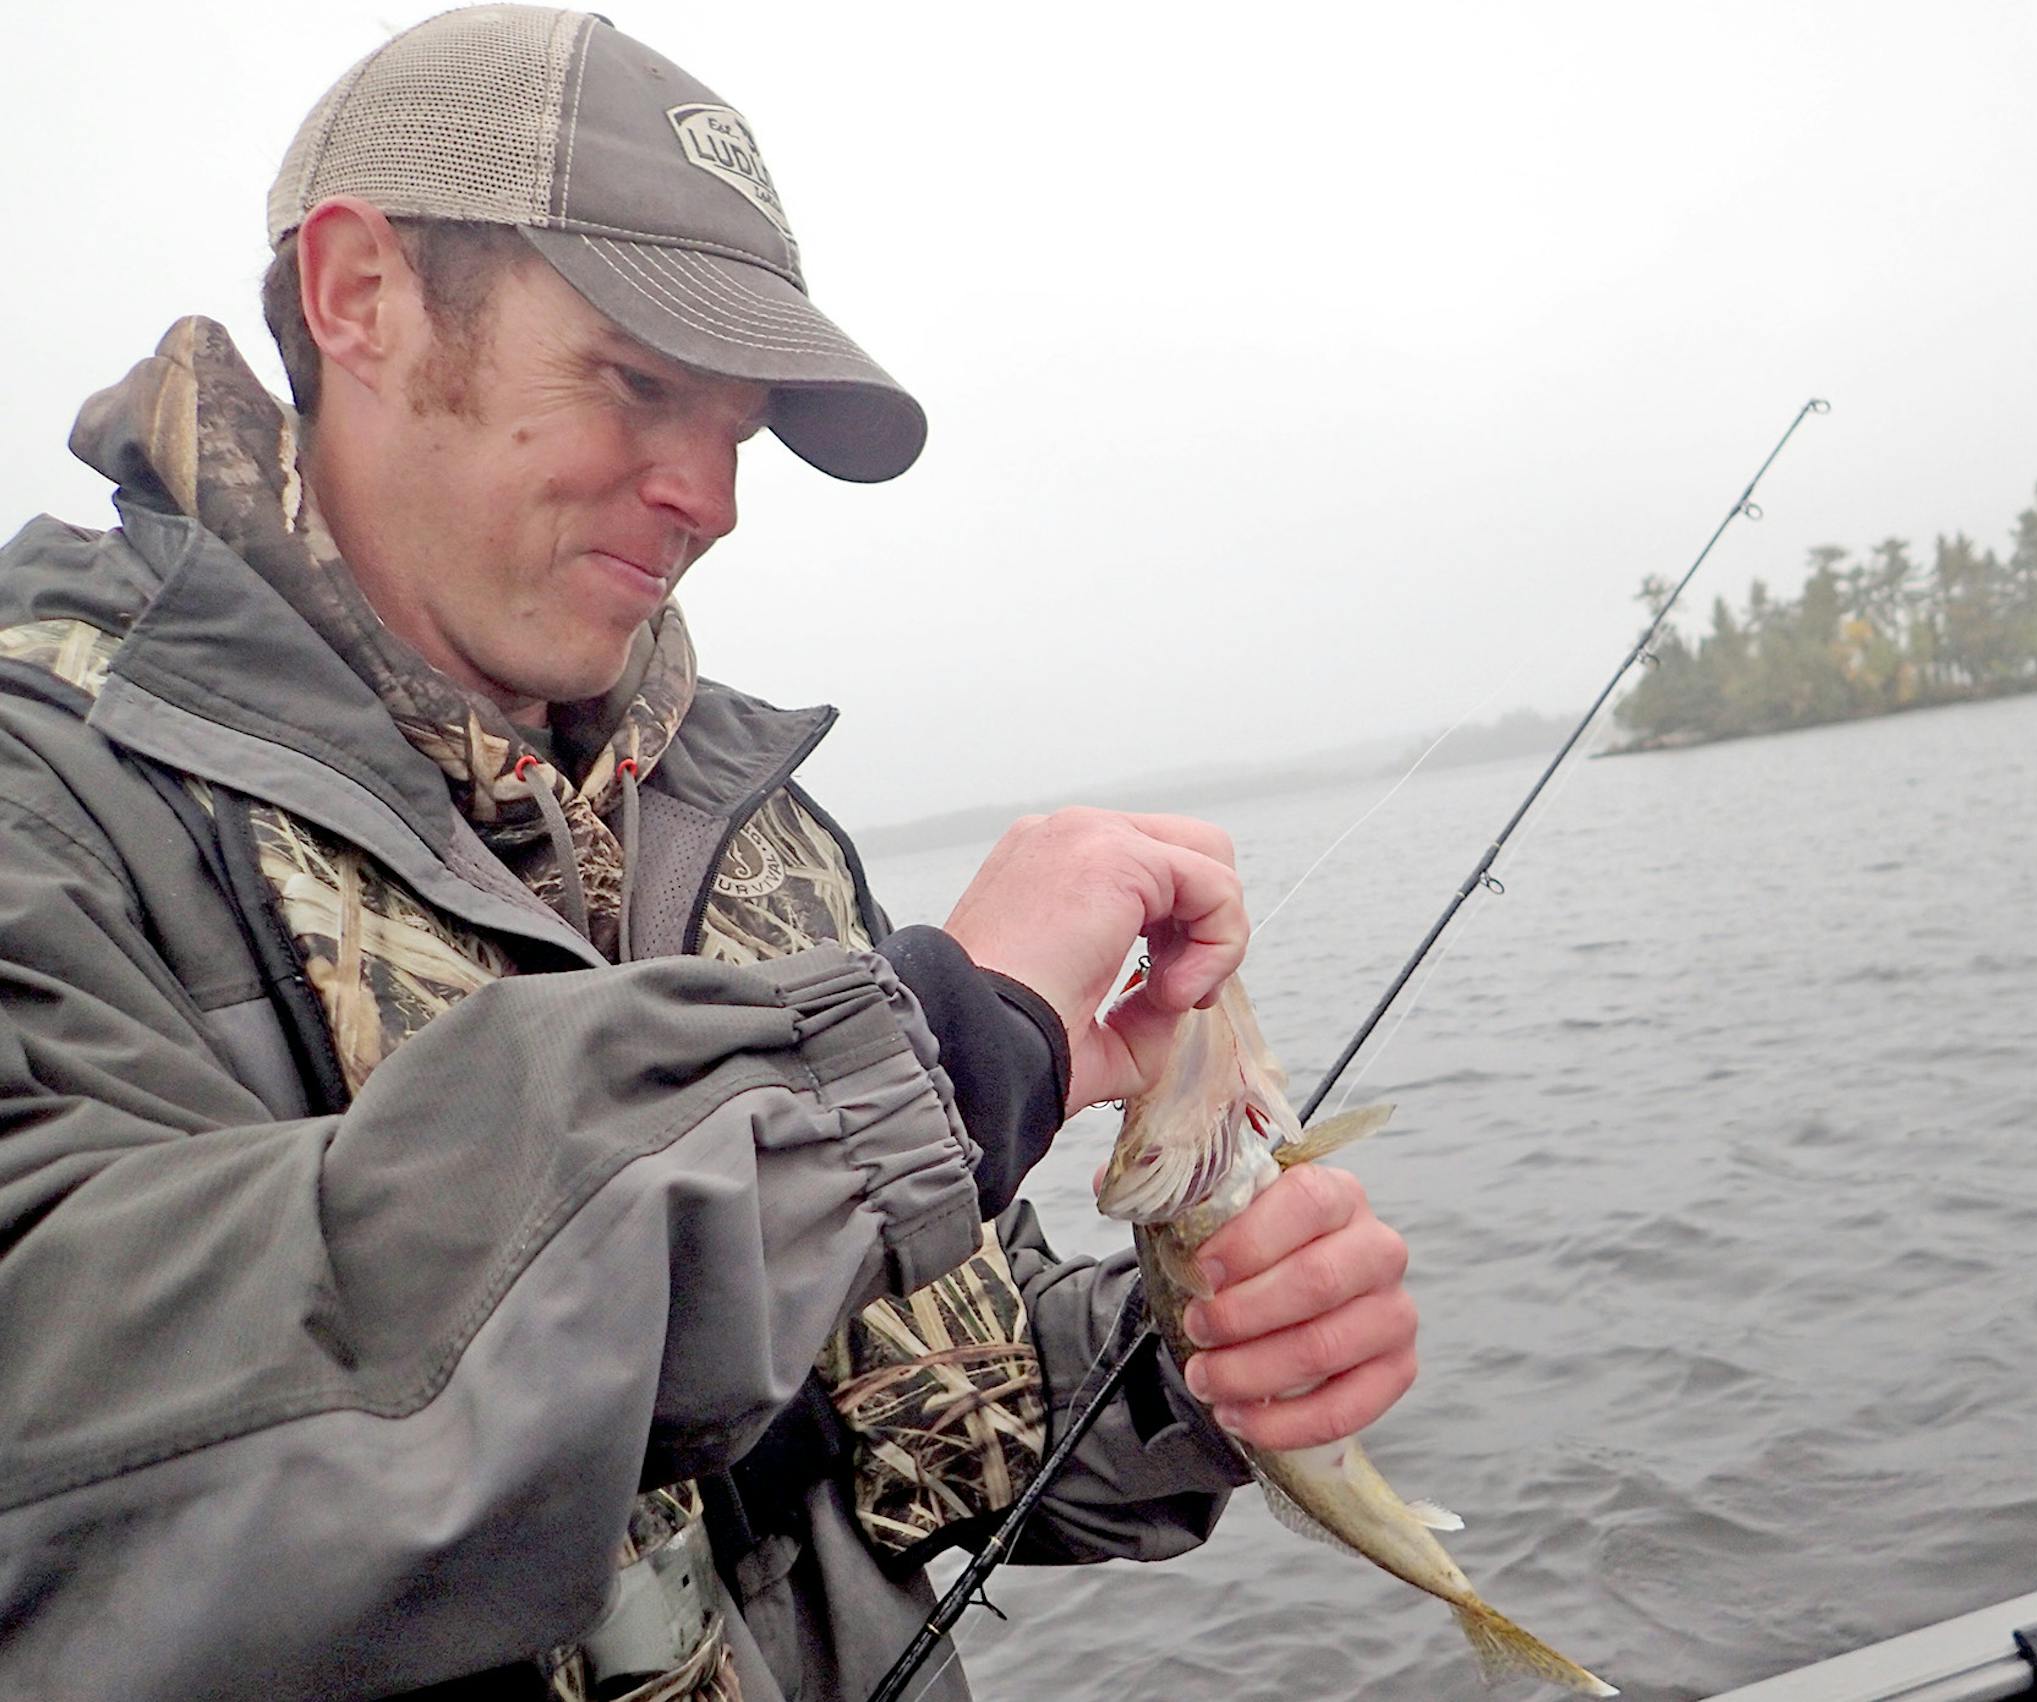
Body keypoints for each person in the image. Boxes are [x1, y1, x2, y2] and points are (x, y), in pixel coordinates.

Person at [0, 8, 1420, 1698]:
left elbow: (918, 1423)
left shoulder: (750, 822)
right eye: (640, 382)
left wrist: (1192, 1361)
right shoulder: (52, 791)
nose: (714, 495)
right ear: (358, 295)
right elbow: (77, 1462)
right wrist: (932, 1050)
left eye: (736, 427)